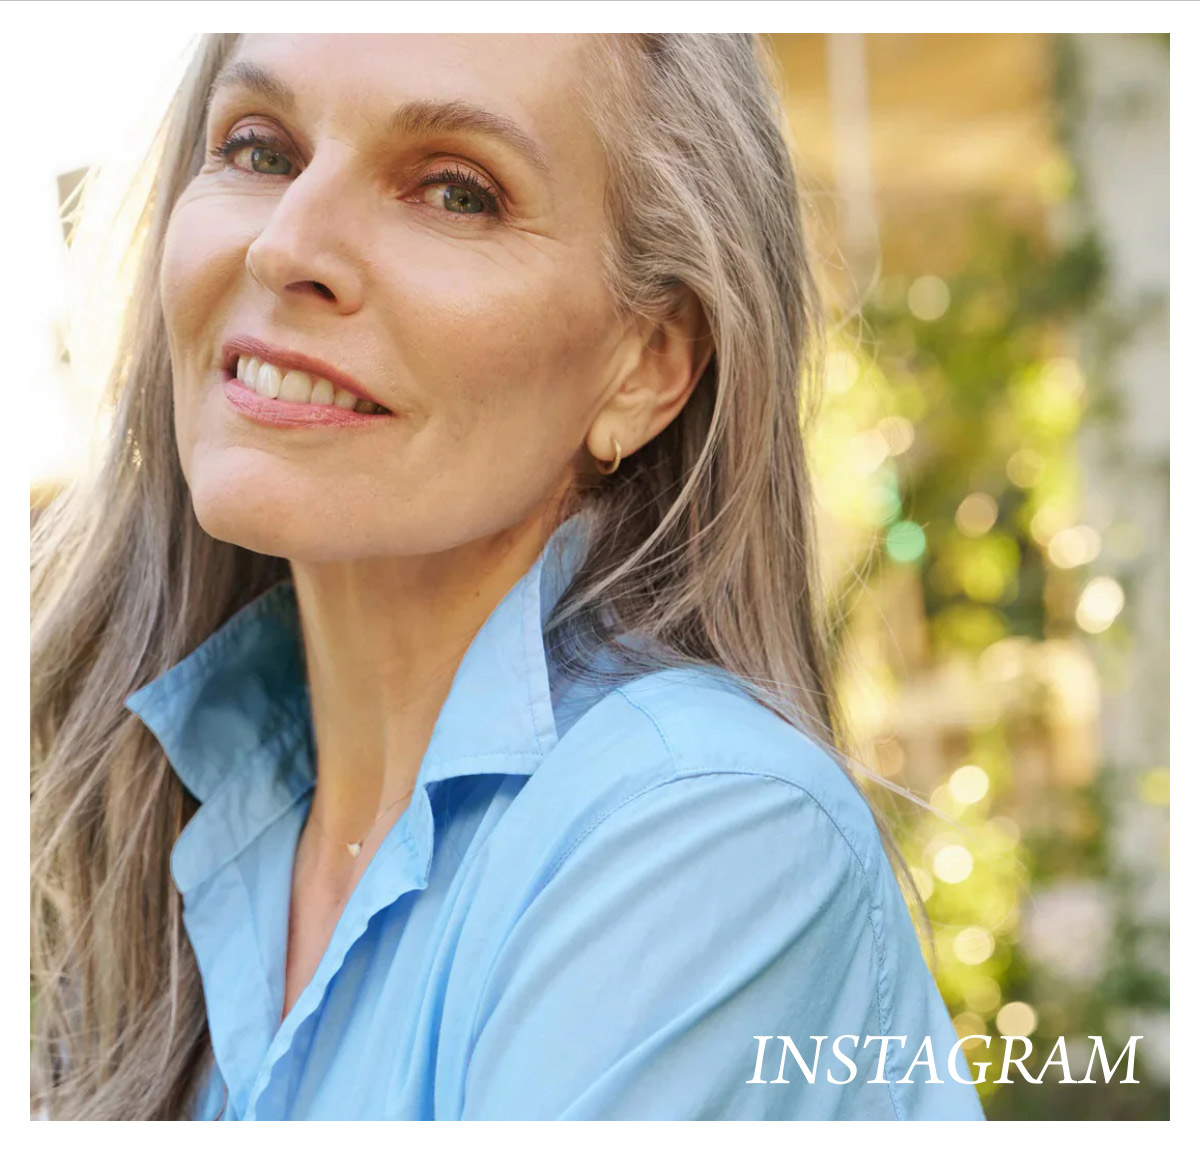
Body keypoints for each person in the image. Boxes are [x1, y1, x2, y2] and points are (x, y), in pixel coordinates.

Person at [30, 32, 985, 1121]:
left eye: (453, 191)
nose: (285, 243)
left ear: (647, 364)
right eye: (259, 149)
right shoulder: (149, 806)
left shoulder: (700, 833)